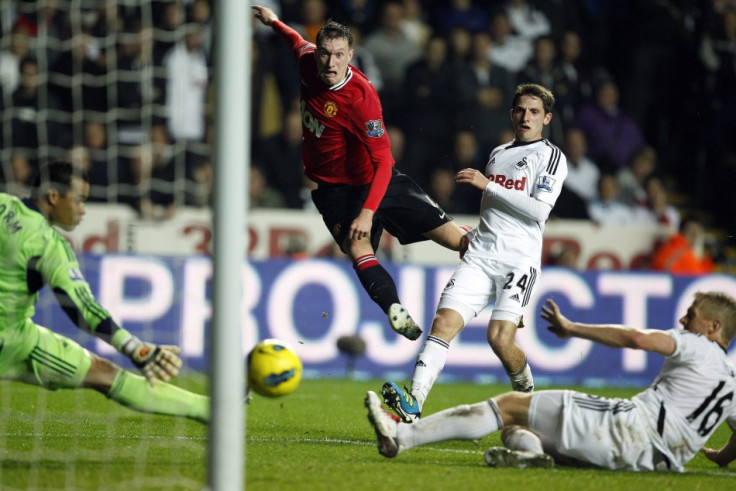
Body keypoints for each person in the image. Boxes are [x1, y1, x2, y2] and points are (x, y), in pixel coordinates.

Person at [252, 6, 469, 341]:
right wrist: (274, 21)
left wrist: (368, 212)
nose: (330, 63)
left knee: (457, 240)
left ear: (350, 56)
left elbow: (384, 162)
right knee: (358, 248)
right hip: (335, 190)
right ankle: (394, 309)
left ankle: (502, 282)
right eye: (325, 53)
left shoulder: (361, 98)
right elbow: (295, 41)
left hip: (376, 180)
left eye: (339, 55)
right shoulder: (308, 61)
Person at [366, 292, 736, 471]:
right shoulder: (732, 383)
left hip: (626, 428)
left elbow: (638, 339)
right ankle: (531, 455)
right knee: (514, 428)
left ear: (714, 327)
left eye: (692, 315)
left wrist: (572, 328)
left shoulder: (695, 344)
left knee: (510, 405)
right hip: (651, 463)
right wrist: (721, 457)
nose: (684, 321)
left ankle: (401, 438)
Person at [382, 83, 568, 423]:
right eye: (521, 111)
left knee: (498, 338)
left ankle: (526, 394)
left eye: (535, 112)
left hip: (518, 262)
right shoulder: (498, 153)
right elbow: (494, 210)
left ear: (547, 118)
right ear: (512, 115)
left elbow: (539, 211)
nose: (527, 117)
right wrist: (475, 235)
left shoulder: (551, 157)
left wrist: (489, 185)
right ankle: (414, 403)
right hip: (481, 255)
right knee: (443, 323)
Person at [0, 160, 208, 423]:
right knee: (104, 374)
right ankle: (211, 410)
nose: (83, 210)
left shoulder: (3, 203)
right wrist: (134, 348)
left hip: (15, 332)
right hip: (10, 340)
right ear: (53, 196)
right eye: (79, 200)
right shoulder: (48, 244)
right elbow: (82, 309)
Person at [651, 217, 715, 275]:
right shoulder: (680, 251)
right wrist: (710, 261)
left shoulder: (677, 247)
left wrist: (710, 261)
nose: (694, 237)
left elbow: (697, 271)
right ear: (681, 232)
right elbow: (699, 277)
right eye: (691, 233)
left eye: (696, 233)